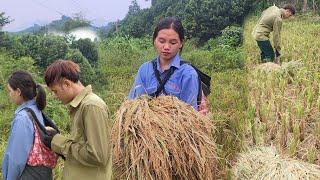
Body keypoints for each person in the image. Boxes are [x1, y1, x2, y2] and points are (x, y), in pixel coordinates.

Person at [43, 60, 112, 180]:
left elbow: (98, 155)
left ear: (67, 84)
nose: (55, 96)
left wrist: (58, 142)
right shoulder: (80, 107)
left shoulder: (91, 106)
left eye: (55, 91)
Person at [129, 17, 200, 111]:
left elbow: (190, 114)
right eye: (161, 41)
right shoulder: (144, 69)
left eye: (173, 42)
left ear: (181, 43)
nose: (166, 47)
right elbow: (133, 104)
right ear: (155, 40)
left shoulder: (188, 74)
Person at [2, 70, 57, 180]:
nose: (10, 95)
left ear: (18, 91)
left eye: (10, 91)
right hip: (43, 173)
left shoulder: (23, 117)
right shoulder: (36, 109)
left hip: (28, 174)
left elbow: (17, 159)